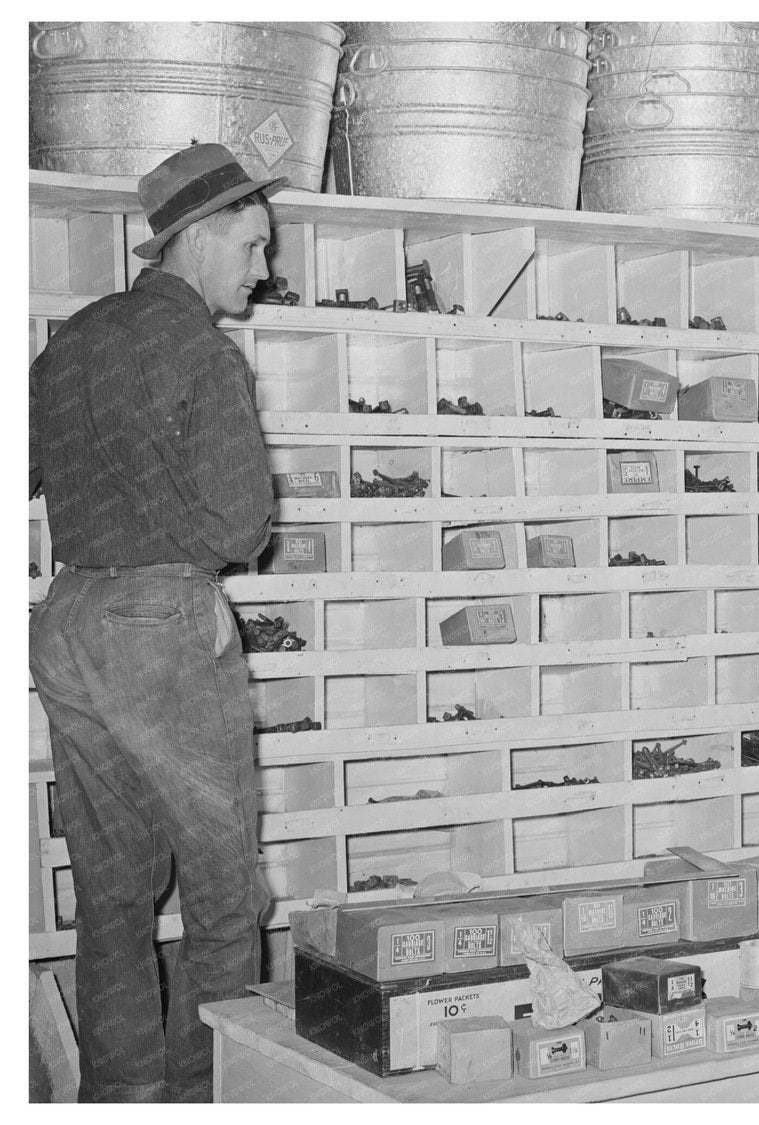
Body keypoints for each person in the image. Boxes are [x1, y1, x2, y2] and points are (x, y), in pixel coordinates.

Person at [28, 142, 283, 1102]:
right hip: (159, 620)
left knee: (112, 893)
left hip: (69, 621)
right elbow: (241, 522)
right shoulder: (199, 350)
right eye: (253, 247)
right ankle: (216, 1098)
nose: (263, 270)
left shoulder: (75, 336)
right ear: (199, 235)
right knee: (225, 894)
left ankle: (121, 1100)